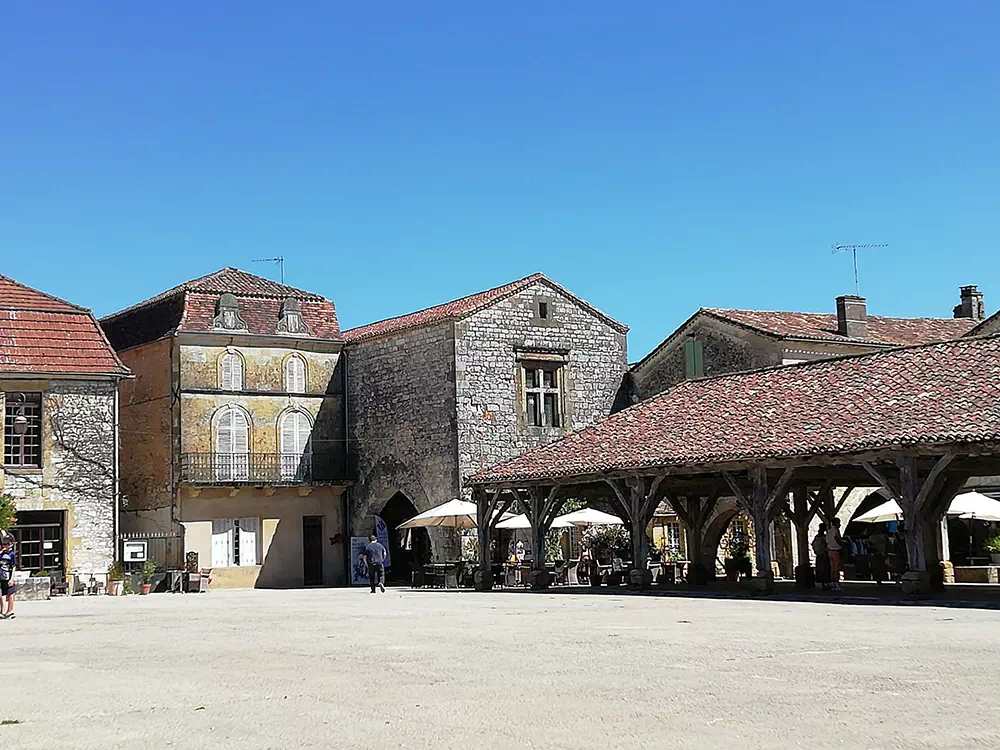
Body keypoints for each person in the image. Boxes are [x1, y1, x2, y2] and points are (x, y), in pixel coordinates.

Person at [826, 518, 844, 591]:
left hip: (830, 551)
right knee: (837, 568)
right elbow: (837, 538)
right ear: (836, 523)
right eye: (839, 522)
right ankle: (837, 583)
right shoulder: (836, 530)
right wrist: (842, 545)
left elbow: (827, 541)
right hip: (836, 550)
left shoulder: (829, 531)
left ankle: (833, 583)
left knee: (832, 568)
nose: (840, 524)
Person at [0, 538, 16, 619]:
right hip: (2, 576)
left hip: (8, 576)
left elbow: (13, 567)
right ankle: (3, 611)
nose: (5, 546)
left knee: (10, 594)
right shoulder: (1, 554)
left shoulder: (11, 554)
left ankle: (10, 610)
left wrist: (12, 578)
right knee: (2, 594)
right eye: (4, 545)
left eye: (7, 545)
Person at [812, 522, 831, 590]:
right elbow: (827, 545)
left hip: (818, 554)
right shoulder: (824, 537)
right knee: (826, 569)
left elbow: (813, 544)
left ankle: (823, 584)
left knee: (820, 569)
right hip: (824, 554)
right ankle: (827, 583)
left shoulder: (817, 536)